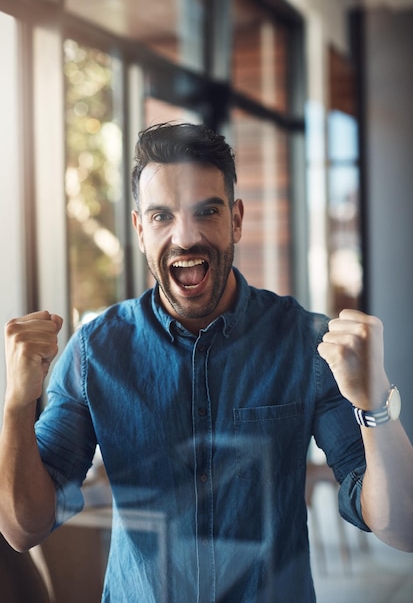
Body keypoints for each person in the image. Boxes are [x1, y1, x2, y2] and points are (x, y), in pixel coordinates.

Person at [1, 122, 412, 603]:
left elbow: (401, 527)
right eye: (161, 217)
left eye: (207, 211)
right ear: (139, 229)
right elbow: (22, 529)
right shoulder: (96, 353)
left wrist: (375, 401)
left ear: (236, 219)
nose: (186, 236)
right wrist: (16, 404)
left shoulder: (305, 343)